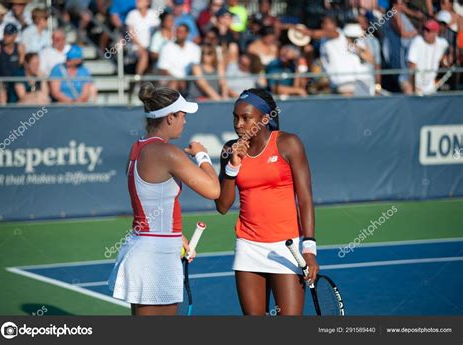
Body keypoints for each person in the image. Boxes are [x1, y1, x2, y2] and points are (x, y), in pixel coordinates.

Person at [109, 82, 220, 316]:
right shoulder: (168, 153)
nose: (185, 120)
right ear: (170, 117)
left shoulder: (138, 148)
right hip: (156, 255)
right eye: (182, 115)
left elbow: (150, 199)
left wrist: (177, 234)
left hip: (149, 246)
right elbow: (213, 190)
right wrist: (202, 155)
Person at [215, 88, 318, 316]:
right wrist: (233, 166)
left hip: (287, 248)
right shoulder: (229, 150)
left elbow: (305, 199)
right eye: (235, 117)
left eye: (245, 117)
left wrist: (309, 249)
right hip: (248, 246)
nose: (238, 124)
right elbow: (223, 206)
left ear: (264, 119)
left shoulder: (288, 143)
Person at [408, 19, 450, 95]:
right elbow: (411, 69)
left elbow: (445, 62)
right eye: (424, 29)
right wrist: (413, 90)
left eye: (428, 30)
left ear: (435, 33)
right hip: (414, 85)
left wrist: (446, 62)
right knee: (408, 90)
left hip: (430, 87)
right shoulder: (417, 41)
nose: (425, 32)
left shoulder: (442, 43)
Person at [157, 24, 201, 92]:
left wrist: (185, 81)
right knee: (173, 84)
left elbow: (196, 69)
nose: (178, 34)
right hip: (170, 81)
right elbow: (163, 69)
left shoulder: (195, 48)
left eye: (181, 32)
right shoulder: (166, 47)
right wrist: (178, 80)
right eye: (177, 31)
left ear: (187, 34)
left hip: (190, 81)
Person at [125, 0, 161, 76]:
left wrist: (153, 46)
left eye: (140, 1)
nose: (137, 2)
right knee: (144, 55)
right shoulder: (132, 14)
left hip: (151, 47)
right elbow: (131, 34)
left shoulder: (153, 14)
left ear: (147, 2)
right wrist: (141, 46)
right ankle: (138, 79)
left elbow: (157, 31)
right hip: (136, 47)